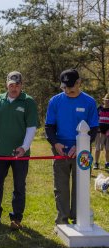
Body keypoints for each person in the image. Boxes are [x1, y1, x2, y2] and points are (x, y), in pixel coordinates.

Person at [0, 71, 38, 230]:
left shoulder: (28, 102)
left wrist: (24, 147)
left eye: (17, 85)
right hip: (1, 152)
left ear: (21, 85)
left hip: (21, 154)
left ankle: (16, 218)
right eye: (11, 85)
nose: (14, 88)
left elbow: (31, 128)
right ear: (7, 84)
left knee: (19, 186)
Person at [45, 69, 98, 225]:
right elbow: (49, 126)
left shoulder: (89, 102)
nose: (67, 90)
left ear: (79, 82)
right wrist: (55, 143)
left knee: (80, 186)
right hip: (60, 150)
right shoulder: (55, 101)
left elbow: (94, 129)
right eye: (65, 87)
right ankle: (62, 221)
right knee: (60, 187)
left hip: (82, 152)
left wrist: (80, 146)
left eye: (70, 86)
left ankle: (78, 219)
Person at [93, 93, 109, 170]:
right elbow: (94, 119)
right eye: (106, 100)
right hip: (99, 131)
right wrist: (97, 128)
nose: (107, 102)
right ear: (104, 101)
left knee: (108, 149)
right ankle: (96, 163)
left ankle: (107, 163)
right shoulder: (99, 109)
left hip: (108, 133)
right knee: (98, 148)